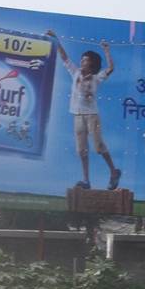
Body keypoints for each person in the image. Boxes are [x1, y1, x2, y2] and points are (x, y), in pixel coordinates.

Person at [48, 30, 122, 190]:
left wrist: (106, 49)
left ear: (92, 64)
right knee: (81, 150)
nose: (82, 62)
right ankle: (86, 180)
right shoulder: (75, 73)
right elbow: (64, 57)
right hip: (77, 115)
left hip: (92, 116)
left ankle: (114, 171)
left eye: (85, 61)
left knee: (98, 146)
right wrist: (56, 40)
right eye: (82, 60)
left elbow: (111, 68)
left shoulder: (97, 77)